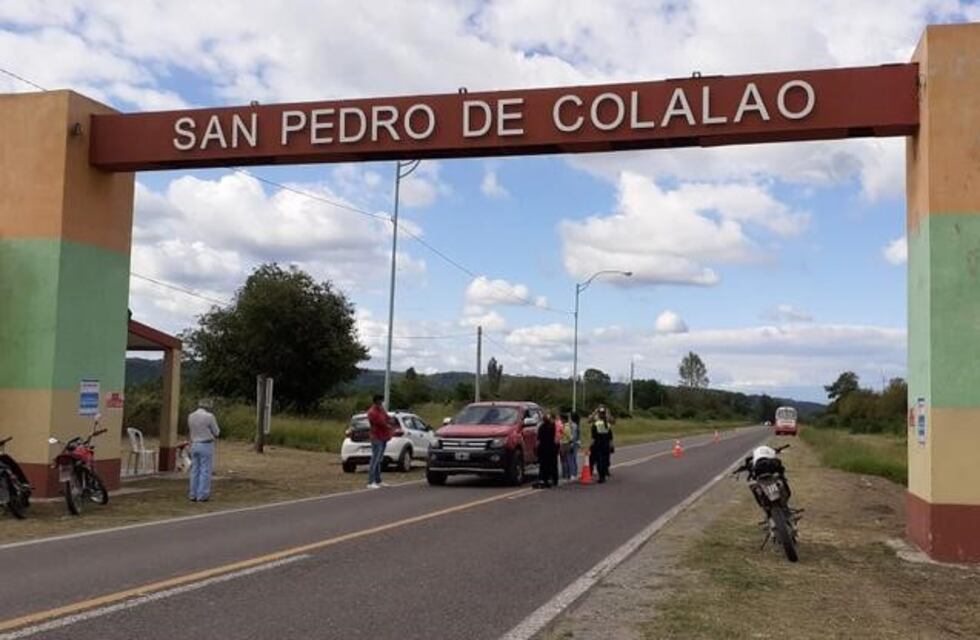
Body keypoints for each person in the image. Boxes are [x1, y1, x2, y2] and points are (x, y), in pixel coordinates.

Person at [188, 398, 220, 502]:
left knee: (194, 470)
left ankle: (193, 493)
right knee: (205, 470)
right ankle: (202, 494)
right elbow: (216, 432)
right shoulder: (209, 416)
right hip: (206, 444)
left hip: (194, 443)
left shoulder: (191, 416)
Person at [366, 394, 396, 489]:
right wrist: (389, 426)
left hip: (383, 437)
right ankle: (370, 482)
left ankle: (378, 480)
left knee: (379, 460)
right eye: (380, 401)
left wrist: (391, 420)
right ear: (376, 401)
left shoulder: (381, 409)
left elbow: (386, 418)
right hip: (376, 437)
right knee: (375, 459)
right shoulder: (372, 412)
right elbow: (381, 423)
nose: (381, 403)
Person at [590, 406, 614, 483]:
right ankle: (603, 476)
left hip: (598, 445)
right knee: (604, 461)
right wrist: (611, 445)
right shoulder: (608, 424)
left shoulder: (596, 424)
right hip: (606, 445)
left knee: (599, 461)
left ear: (599, 414)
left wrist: (590, 446)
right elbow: (610, 437)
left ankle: (601, 477)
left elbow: (593, 437)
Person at [535, 413, 559, 488]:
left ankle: (544, 479)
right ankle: (553, 479)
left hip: (543, 448)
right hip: (552, 448)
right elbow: (557, 437)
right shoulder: (553, 427)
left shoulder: (541, 428)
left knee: (543, 465)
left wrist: (536, 449)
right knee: (553, 464)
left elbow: (538, 440)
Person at [566, 411, 581, 479]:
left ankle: (572, 473)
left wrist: (571, 442)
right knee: (573, 458)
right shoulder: (575, 425)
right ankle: (574, 473)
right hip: (575, 443)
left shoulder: (573, 425)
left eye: (569, 417)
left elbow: (574, 436)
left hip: (573, 443)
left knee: (571, 458)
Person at [559, 413, 574, 480]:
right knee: (565, 460)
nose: (560, 420)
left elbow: (570, 437)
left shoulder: (566, 427)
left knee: (565, 460)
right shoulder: (565, 426)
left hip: (565, 444)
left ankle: (567, 474)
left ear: (564, 419)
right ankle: (566, 474)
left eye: (561, 419)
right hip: (564, 444)